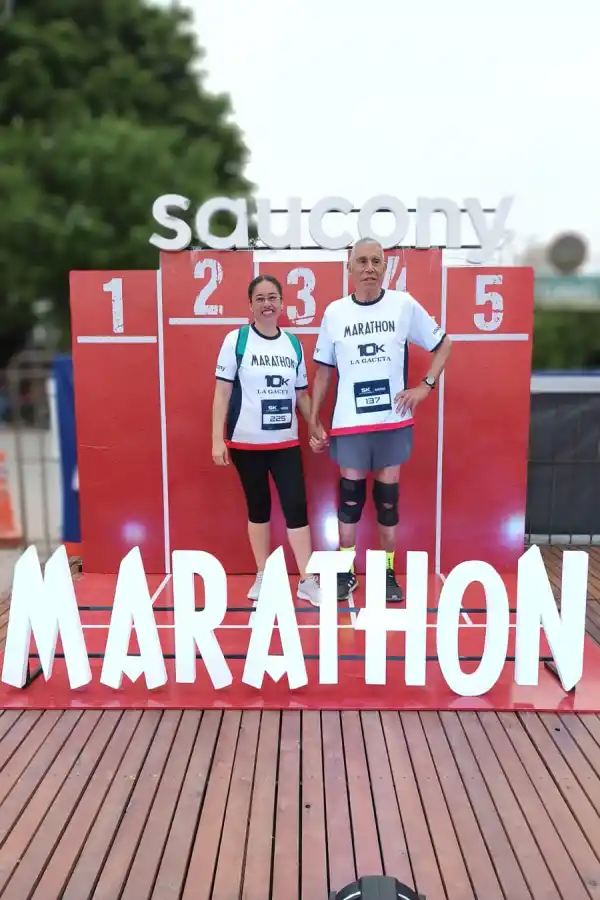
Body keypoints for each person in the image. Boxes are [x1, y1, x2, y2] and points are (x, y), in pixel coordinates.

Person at [309, 237, 452, 602]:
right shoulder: (334, 312)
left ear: (385, 267)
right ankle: (346, 570)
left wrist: (425, 386)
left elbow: (444, 344)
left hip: (392, 423)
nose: (369, 267)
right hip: (350, 425)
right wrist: (313, 419)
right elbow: (324, 371)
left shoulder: (402, 305)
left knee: (387, 502)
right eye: (362, 261)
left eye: (376, 261)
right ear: (350, 268)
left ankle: (387, 571)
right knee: (350, 501)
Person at [212, 273, 322, 607]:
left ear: (282, 304)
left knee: (296, 509)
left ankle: (306, 579)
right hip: (246, 444)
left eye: (272, 297)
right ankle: (263, 574)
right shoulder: (236, 340)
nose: (267, 304)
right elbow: (222, 392)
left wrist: (315, 426)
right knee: (258, 509)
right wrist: (217, 439)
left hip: (285, 443)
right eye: (260, 299)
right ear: (250, 305)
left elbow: (301, 394)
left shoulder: (293, 344)